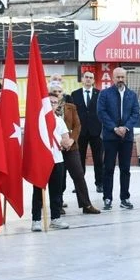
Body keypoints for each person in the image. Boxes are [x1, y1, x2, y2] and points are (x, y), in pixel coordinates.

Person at [49, 84, 100, 215]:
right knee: (59, 178)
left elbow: (77, 126)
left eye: (59, 91)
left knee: (78, 175)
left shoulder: (71, 107)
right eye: (54, 91)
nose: (57, 93)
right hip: (55, 148)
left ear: (63, 93)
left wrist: (71, 140)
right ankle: (57, 205)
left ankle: (86, 205)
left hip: (71, 147)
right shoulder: (46, 109)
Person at [30, 86, 72, 232]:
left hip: (57, 160)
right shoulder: (38, 121)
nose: (53, 104)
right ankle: (36, 220)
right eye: (50, 102)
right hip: (42, 160)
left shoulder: (59, 121)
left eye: (55, 102)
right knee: (38, 192)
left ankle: (55, 218)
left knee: (56, 191)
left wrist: (66, 142)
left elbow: (66, 140)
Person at [97, 67, 139, 210]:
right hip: (110, 136)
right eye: (118, 77)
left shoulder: (132, 95)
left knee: (125, 169)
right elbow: (101, 113)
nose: (120, 79)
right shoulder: (104, 94)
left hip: (126, 137)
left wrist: (125, 128)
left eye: (122, 77)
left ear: (126, 78)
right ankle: (107, 198)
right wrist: (114, 128)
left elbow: (135, 113)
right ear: (113, 78)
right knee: (108, 168)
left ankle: (125, 198)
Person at [70, 71, 104, 195]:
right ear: (82, 79)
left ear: (94, 80)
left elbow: (102, 112)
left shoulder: (99, 94)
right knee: (79, 159)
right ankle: (79, 184)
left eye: (91, 78)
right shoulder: (75, 94)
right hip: (80, 131)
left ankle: (100, 183)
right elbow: (72, 114)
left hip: (96, 131)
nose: (88, 79)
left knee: (98, 159)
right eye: (86, 77)